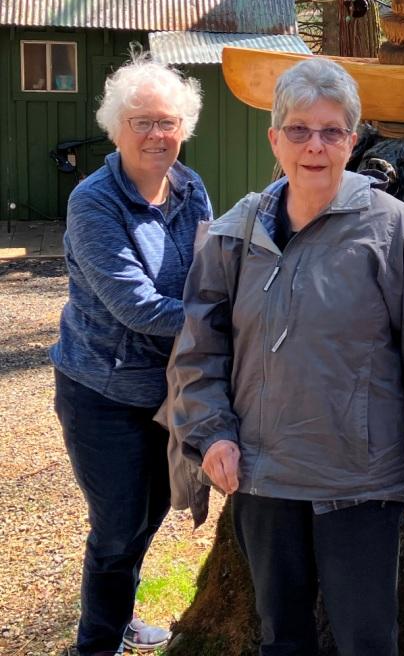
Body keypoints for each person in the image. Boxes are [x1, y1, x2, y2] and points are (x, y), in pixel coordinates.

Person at [168, 57, 404, 656]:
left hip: (360, 478)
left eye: (332, 131)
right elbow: (199, 348)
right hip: (262, 472)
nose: (315, 145)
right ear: (274, 139)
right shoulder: (236, 232)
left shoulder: (389, 227)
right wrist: (212, 434)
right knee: (282, 638)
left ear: (352, 142)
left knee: (366, 641)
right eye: (300, 130)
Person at [50, 57, 211, 655]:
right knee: (117, 531)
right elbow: (136, 307)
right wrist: (230, 321)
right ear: (116, 128)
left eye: (167, 122)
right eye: (141, 122)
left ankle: (117, 618)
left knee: (150, 515)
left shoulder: (191, 188)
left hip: (170, 389)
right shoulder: (94, 202)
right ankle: (96, 645)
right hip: (103, 393)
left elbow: (211, 272)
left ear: (184, 127)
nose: (156, 135)